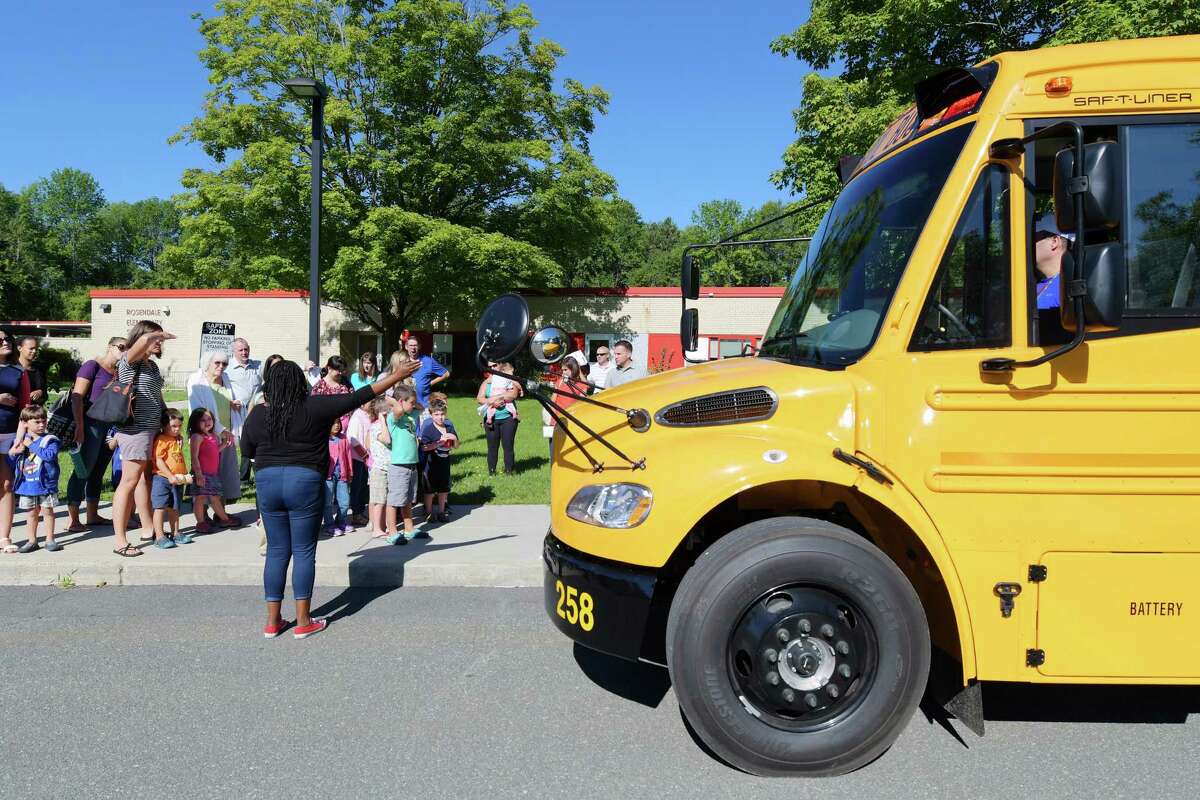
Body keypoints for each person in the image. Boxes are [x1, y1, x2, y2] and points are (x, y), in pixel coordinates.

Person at [240, 358, 420, 640]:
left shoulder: (259, 414)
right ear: (300, 383)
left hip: (268, 482)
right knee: (303, 552)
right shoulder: (315, 405)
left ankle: (273, 622)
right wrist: (395, 375)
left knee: (276, 551)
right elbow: (362, 395)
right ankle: (303, 622)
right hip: (305, 481)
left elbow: (247, 448)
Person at [111, 321, 174, 558]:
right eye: (155, 337)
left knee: (142, 479)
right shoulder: (130, 360)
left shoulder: (152, 366)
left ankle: (148, 528)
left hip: (151, 428)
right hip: (134, 430)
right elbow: (137, 346)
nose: (159, 341)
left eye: (160, 338)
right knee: (128, 481)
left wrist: (167, 420)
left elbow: (157, 396)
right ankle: (119, 539)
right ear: (142, 337)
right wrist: (155, 334)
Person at [65, 336, 126, 533]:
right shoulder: (92, 365)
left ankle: (92, 515)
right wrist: (80, 426)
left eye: (128, 349)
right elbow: (77, 397)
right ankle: (73, 519)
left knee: (98, 472)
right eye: (121, 347)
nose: (124, 351)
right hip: (90, 424)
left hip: (109, 426)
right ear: (110, 347)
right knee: (83, 470)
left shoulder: (118, 372)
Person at [187, 351, 243, 512]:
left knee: (223, 474)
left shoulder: (225, 379)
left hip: (226, 434)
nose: (221, 367)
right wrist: (221, 430)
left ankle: (221, 513)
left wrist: (232, 403)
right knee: (204, 476)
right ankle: (202, 516)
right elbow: (198, 409)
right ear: (207, 363)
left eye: (224, 364)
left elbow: (225, 400)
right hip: (205, 436)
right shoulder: (196, 380)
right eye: (217, 363)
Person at [9, 405, 60, 552]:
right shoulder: (21, 440)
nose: (41, 424)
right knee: (31, 513)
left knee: (47, 511)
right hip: (28, 485)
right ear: (25, 423)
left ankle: (50, 539)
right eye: (36, 422)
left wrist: (32, 445)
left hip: (45, 484)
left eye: (43, 421)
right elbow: (12, 463)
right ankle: (32, 540)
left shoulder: (51, 440)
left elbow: (49, 456)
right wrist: (13, 452)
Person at [187, 407, 239, 534]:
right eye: (203, 420)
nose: (207, 422)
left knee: (215, 497)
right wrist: (198, 474)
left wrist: (224, 444)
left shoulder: (213, 436)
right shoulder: (197, 437)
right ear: (195, 422)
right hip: (202, 474)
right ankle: (200, 522)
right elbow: (194, 456)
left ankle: (224, 519)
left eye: (209, 419)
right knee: (200, 498)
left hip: (212, 474)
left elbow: (215, 451)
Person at [383, 385, 423, 545]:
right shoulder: (394, 417)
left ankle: (409, 529)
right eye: (411, 402)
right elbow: (399, 410)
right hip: (399, 465)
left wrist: (411, 402)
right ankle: (392, 532)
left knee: (407, 500)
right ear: (400, 402)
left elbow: (422, 406)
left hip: (412, 464)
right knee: (395, 500)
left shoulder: (411, 413)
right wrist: (392, 400)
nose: (414, 405)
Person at [152, 409, 194, 547]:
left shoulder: (176, 439)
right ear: (164, 426)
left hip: (177, 479)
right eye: (173, 426)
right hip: (162, 478)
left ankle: (175, 533)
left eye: (179, 426)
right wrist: (169, 475)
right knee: (160, 507)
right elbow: (158, 460)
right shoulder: (161, 440)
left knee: (175, 508)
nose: (177, 429)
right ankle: (159, 537)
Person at [0, 331, 25, 553]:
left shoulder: (18, 371)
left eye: (8, 339)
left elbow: (25, 408)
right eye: (0, 340)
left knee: (7, 486)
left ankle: (4, 537)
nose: (5, 342)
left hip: (9, 435)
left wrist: (20, 437)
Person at [226, 338, 262, 484]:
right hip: (236, 412)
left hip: (255, 411)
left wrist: (305, 366)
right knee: (238, 443)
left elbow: (277, 365)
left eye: (246, 349)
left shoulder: (258, 366)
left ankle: (249, 476)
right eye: (240, 350)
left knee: (254, 442)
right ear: (234, 352)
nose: (244, 352)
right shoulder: (227, 368)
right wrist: (229, 401)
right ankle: (240, 477)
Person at [418, 399, 459, 525]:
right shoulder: (429, 429)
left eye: (442, 414)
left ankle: (441, 511)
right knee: (429, 489)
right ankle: (429, 511)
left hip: (444, 462)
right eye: (436, 414)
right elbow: (424, 447)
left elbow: (456, 445)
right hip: (431, 464)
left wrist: (454, 438)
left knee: (443, 488)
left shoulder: (449, 427)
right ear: (431, 415)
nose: (440, 417)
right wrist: (437, 444)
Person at [476, 361, 520, 476]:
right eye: (490, 366)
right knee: (492, 447)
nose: (492, 368)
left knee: (508, 446)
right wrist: (492, 403)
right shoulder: (486, 382)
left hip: (508, 418)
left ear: (500, 365)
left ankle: (509, 471)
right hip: (491, 419)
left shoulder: (509, 379)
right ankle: (492, 472)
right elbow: (480, 398)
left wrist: (494, 398)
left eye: (494, 365)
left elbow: (513, 395)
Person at [544, 358, 587, 460]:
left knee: (571, 451)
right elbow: (553, 401)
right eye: (562, 370)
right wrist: (554, 417)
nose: (563, 373)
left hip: (572, 421)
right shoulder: (560, 382)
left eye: (566, 370)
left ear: (574, 369)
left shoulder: (580, 385)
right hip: (557, 420)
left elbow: (582, 404)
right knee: (554, 450)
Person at [1034, 217, 1074, 311]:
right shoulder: (1027, 287)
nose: (1026, 245)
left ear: (1054, 241)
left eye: (1033, 238)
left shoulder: (1070, 289)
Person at [324, 417, 353, 536]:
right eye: (333, 423)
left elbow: (348, 456)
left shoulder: (343, 438)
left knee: (345, 501)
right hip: (328, 476)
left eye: (338, 423)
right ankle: (329, 524)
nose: (336, 426)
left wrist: (350, 472)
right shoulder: (324, 439)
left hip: (342, 474)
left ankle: (341, 521)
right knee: (328, 501)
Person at [345, 398, 372, 526]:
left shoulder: (367, 415)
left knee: (362, 486)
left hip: (365, 458)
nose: (372, 403)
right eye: (370, 401)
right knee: (357, 487)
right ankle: (356, 514)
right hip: (358, 458)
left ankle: (360, 511)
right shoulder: (357, 417)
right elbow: (352, 439)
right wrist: (365, 455)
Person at [367, 397, 391, 537]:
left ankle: (383, 526)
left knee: (385, 499)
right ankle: (376, 529)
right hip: (379, 468)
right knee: (379, 500)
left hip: (388, 467)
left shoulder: (384, 426)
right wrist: (382, 420)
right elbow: (387, 440)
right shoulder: (377, 426)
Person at [405, 335, 450, 407]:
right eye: (411, 345)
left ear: (419, 346)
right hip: (406, 405)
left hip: (423, 404)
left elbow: (446, 374)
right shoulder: (402, 361)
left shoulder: (428, 361)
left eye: (415, 345)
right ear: (406, 347)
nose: (413, 348)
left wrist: (430, 383)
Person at [15, 336, 46, 406]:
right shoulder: (12, 369)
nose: (34, 351)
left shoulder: (39, 369)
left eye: (36, 349)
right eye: (31, 349)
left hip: (33, 413)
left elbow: (45, 395)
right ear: (19, 348)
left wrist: (40, 392)